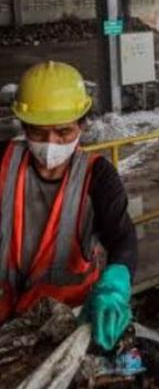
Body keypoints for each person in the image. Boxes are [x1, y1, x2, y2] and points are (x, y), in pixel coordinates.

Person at [1, 62, 137, 351]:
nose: (50, 143)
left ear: (82, 124)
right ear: (23, 126)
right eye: (38, 133)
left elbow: (122, 237)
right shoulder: (3, 162)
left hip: (66, 321)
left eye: (63, 132)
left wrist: (114, 288)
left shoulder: (98, 176)